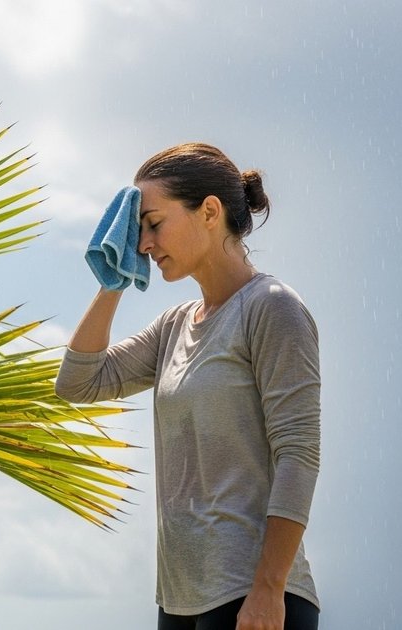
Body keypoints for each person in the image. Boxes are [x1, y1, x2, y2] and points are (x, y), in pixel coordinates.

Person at [54, 143, 321, 630]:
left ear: (210, 212)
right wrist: (113, 279)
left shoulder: (273, 307)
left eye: (153, 224)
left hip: (251, 598)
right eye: (139, 231)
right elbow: (77, 383)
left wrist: (268, 589)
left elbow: (298, 454)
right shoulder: (173, 326)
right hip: (179, 601)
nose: (144, 245)